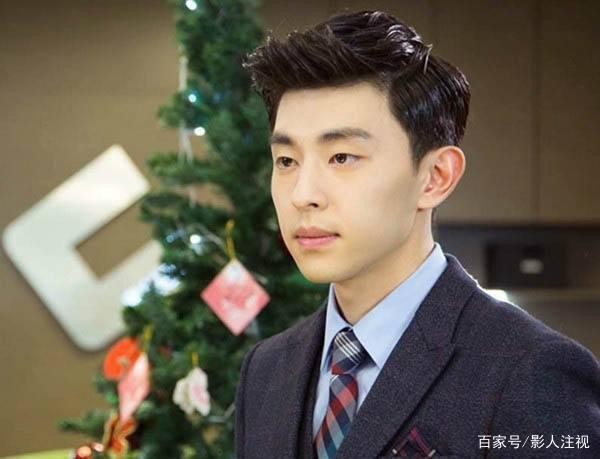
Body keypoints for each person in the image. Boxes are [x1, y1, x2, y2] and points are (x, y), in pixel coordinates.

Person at [234, 9, 600, 459]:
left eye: (342, 157)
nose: (302, 195)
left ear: (435, 177)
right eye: (287, 161)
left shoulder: (531, 371)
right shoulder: (266, 370)